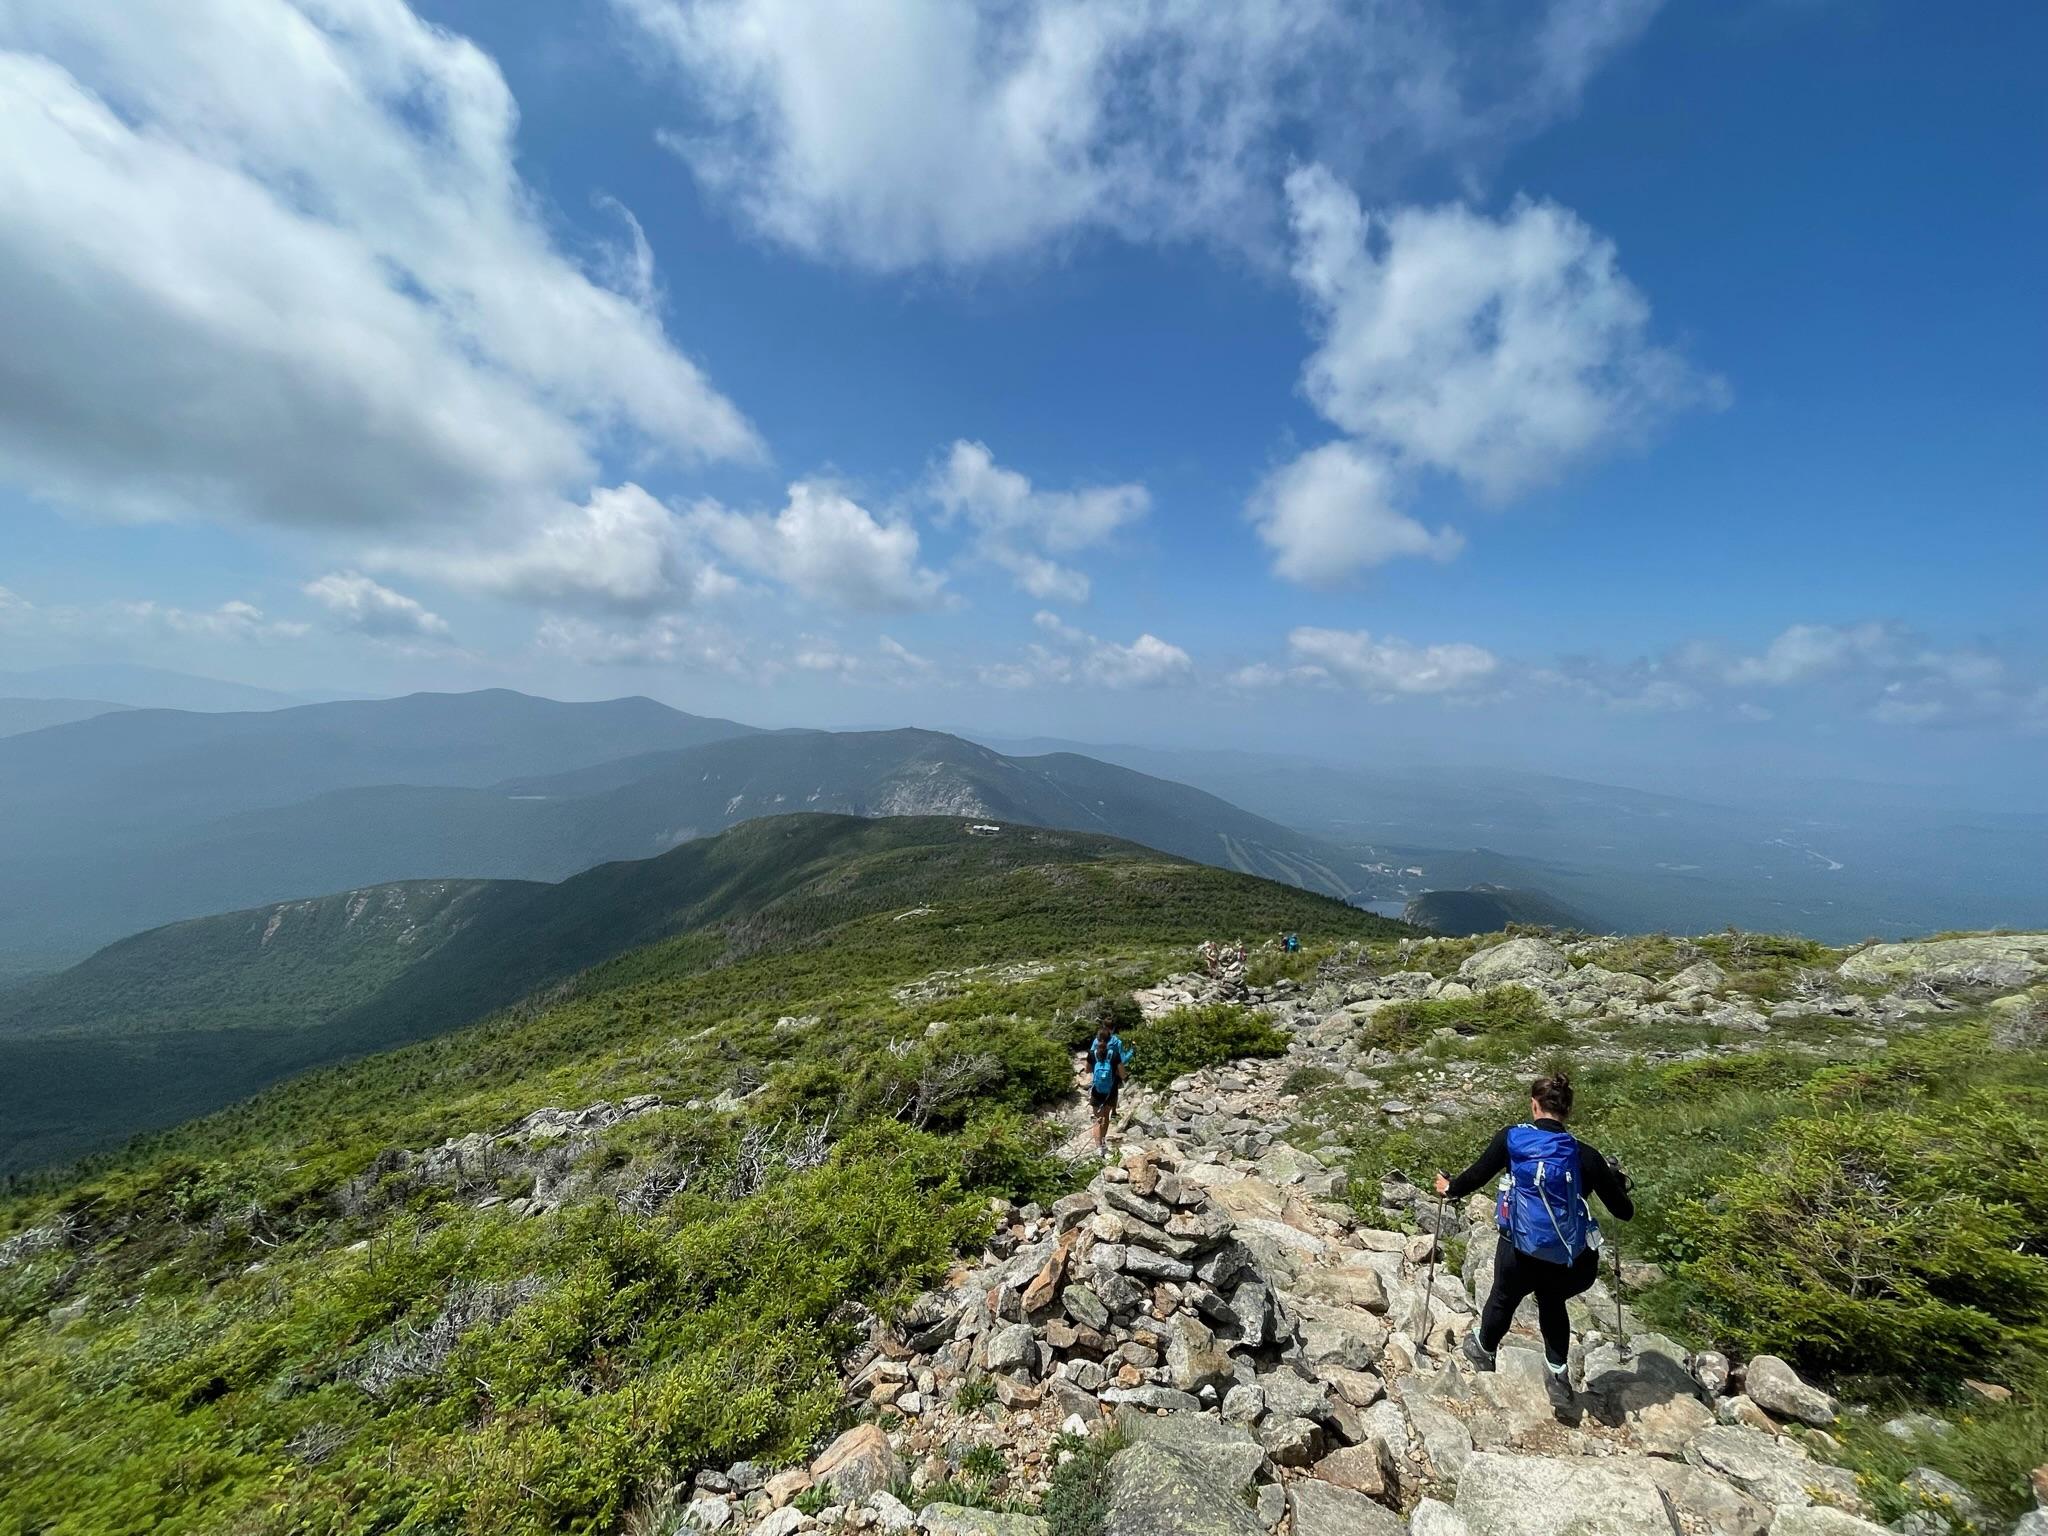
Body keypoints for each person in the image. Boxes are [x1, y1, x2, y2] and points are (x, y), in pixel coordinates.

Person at [1433, 1071, 1633, 1405]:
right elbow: (1623, 1212)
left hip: (1520, 1250)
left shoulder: (1512, 1140)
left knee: (1503, 1296)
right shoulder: (1586, 1155)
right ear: (1567, 1111)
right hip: (1570, 1258)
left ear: (1533, 1105)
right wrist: (1615, 1180)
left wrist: (1448, 1188)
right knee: (1553, 1301)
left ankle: (1484, 1350)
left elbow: (1475, 1176)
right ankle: (1557, 1375)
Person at [1087, 1020, 1132, 1157]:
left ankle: (1098, 1147)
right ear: (1110, 1039)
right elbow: (1122, 1073)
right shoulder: (1114, 1054)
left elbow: (1088, 1069)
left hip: (1096, 1089)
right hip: (1111, 1089)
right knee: (1106, 1117)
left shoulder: (1092, 1053)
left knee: (1097, 1119)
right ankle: (1103, 1143)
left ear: (1098, 1039)